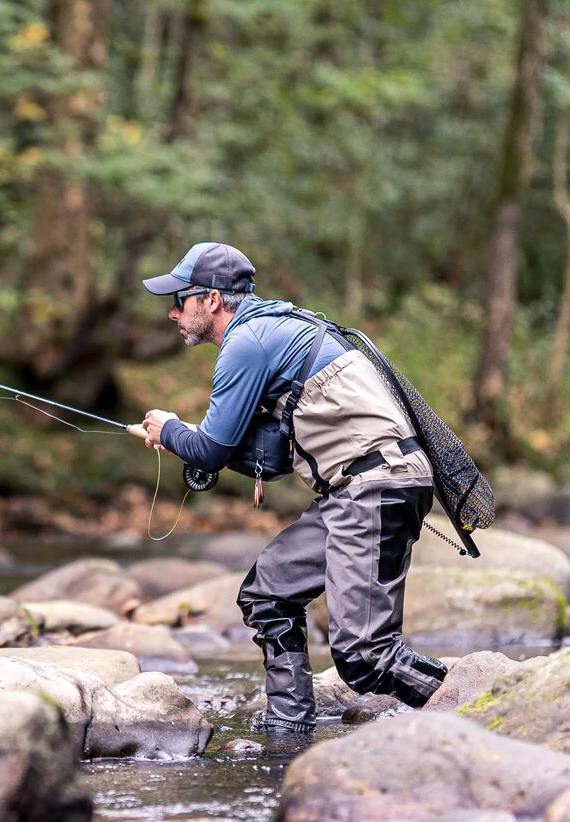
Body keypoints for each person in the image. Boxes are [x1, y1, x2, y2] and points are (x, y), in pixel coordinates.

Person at [126, 241, 448, 745]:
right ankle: (288, 728)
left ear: (211, 300)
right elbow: (269, 458)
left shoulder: (248, 341)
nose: (172, 311)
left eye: (180, 299)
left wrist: (168, 431)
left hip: (374, 487)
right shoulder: (275, 329)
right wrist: (183, 436)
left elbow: (211, 451)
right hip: (356, 489)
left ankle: (481, 707)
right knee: (268, 594)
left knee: (365, 658)